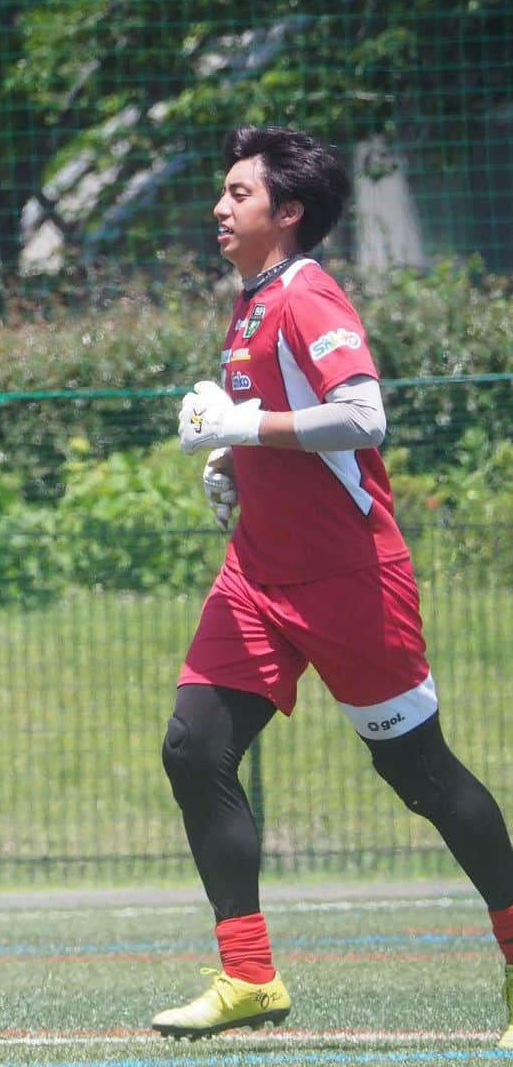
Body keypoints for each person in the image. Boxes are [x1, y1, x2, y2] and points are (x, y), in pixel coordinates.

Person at [155, 125, 513, 1046]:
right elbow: (278, 424)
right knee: (193, 750)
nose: (219, 208)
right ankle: (248, 978)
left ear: (289, 213)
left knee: (421, 775)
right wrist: (235, 461)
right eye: (223, 192)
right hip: (258, 575)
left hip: (349, 577)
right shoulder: (248, 303)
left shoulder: (308, 293)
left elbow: (363, 416)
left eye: (239, 194)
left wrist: (247, 424)